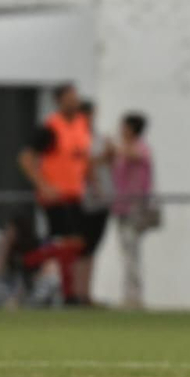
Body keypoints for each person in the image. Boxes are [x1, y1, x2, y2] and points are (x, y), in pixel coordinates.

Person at [18, 83, 92, 305]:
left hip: (75, 194)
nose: (75, 101)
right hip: (55, 195)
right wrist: (43, 185)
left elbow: (80, 158)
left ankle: (67, 292)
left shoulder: (81, 123)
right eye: (70, 97)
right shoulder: (50, 127)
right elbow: (25, 158)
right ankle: (29, 262)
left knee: (73, 245)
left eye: (75, 96)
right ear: (59, 100)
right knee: (68, 242)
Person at [112, 112, 157, 309]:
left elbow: (132, 154)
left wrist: (114, 148)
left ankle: (134, 296)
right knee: (127, 252)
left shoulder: (141, 149)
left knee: (132, 251)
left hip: (135, 207)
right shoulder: (122, 150)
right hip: (122, 206)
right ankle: (128, 294)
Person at [79, 99, 113, 301]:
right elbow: (87, 163)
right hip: (86, 200)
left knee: (92, 248)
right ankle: (78, 292)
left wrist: (110, 153)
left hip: (102, 201)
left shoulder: (98, 137)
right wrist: (97, 187)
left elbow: (105, 160)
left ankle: (86, 292)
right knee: (83, 247)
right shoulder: (80, 137)